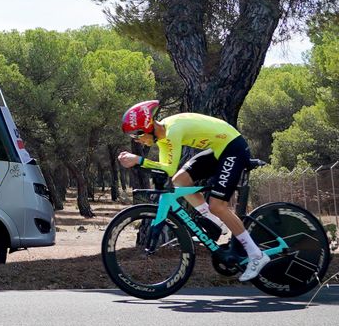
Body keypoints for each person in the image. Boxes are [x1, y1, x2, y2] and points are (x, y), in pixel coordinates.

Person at [116, 100, 270, 282]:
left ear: (147, 127)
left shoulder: (172, 131)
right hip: (219, 149)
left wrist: (139, 161)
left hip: (233, 148)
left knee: (218, 206)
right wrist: (140, 162)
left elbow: (168, 166)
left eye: (137, 135)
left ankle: (256, 255)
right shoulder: (163, 137)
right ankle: (215, 223)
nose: (138, 140)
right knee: (180, 180)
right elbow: (169, 170)